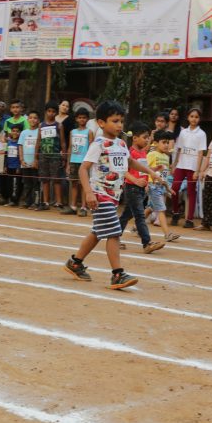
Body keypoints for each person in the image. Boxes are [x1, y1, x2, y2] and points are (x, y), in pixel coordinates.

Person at [63, 101, 163, 290]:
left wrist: (151, 172)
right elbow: (83, 169)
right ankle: (117, 274)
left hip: (113, 196)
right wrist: (89, 192)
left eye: (121, 121)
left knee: (97, 232)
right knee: (114, 232)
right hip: (100, 195)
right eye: (115, 121)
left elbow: (130, 162)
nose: (119, 125)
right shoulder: (98, 144)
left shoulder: (121, 143)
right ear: (101, 123)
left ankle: (75, 263)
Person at [119, 122, 165, 254]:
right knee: (139, 215)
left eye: (148, 137)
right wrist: (135, 180)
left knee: (126, 215)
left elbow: (143, 170)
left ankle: (114, 237)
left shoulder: (143, 153)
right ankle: (147, 243)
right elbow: (123, 170)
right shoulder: (130, 153)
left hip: (140, 189)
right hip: (132, 188)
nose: (147, 140)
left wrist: (154, 170)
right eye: (144, 137)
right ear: (134, 138)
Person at [170, 108, 207, 228]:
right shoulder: (183, 132)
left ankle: (189, 219)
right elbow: (179, 149)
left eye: (196, 117)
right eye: (192, 116)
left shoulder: (201, 134)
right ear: (188, 117)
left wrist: (198, 170)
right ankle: (175, 212)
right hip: (181, 165)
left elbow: (201, 153)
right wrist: (174, 164)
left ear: (199, 119)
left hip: (192, 166)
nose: (194, 119)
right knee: (174, 188)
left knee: (191, 192)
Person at [146, 130, 181, 242]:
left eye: (167, 142)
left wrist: (168, 188)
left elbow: (164, 176)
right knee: (161, 209)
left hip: (161, 186)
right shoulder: (151, 154)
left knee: (151, 208)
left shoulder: (166, 157)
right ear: (156, 143)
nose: (166, 145)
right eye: (163, 142)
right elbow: (144, 169)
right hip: (153, 185)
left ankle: (136, 227)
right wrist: (146, 184)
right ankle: (167, 234)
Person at [34, 100, 66, 210]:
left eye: (53, 111)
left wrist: (64, 156)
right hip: (43, 155)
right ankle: (46, 202)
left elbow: (63, 142)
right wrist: (35, 157)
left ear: (56, 113)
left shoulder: (59, 126)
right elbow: (38, 141)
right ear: (46, 112)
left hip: (55, 155)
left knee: (56, 179)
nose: (51, 113)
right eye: (49, 111)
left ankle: (59, 202)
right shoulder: (41, 125)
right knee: (44, 179)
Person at [62, 107, 92, 216]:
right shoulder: (72, 132)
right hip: (74, 161)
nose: (82, 119)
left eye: (84, 117)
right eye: (80, 117)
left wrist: (89, 162)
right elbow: (70, 147)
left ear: (87, 119)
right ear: (76, 119)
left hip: (84, 162)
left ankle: (83, 207)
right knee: (74, 183)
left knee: (84, 184)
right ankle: (73, 206)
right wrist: (68, 164)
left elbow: (91, 148)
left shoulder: (89, 132)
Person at [18, 111, 40, 208]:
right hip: (25, 162)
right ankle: (27, 202)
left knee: (36, 183)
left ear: (38, 120)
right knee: (27, 183)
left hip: (35, 162)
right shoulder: (24, 133)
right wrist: (21, 159)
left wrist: (37, 160)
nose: (32, 120)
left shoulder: (39, 132)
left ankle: (36, 202)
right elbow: (20, 146)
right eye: (30, 118)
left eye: (35, 118)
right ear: (28, 120)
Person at [3, 123, 23, 206]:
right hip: (9, 166)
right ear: (11, 132)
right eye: (13, 131)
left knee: (16, 184)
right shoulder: (9, 142)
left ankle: (15, 200)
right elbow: (6, 155)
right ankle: (10, 199)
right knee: (9, 184)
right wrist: (5, 166)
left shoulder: (20, 143)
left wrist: (19, 166)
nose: (15, 133)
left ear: (20, 132)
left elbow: (20, 155)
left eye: (17, 131)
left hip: (16, 167)